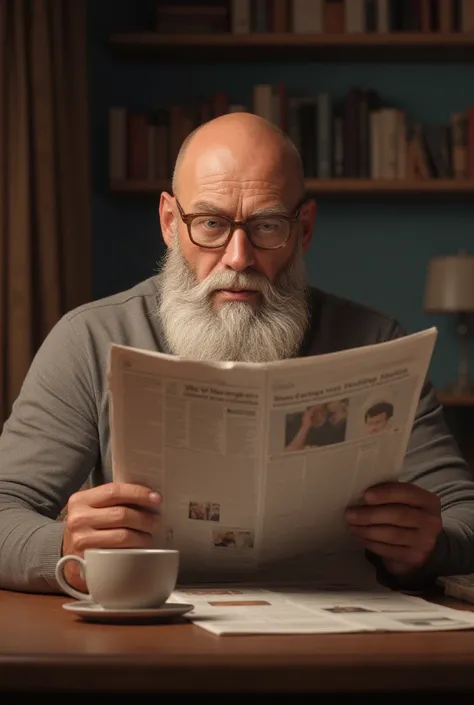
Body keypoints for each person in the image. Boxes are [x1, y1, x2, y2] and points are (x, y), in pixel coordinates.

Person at [0, 112, 473, 596]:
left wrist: (430, 546)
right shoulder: (89, 337)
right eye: (210, 223)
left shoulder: (377, 342)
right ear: (169, 223)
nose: (238, 257)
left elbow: (464, 515)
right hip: (149, 640)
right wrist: (61, 547)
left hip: (331, 646)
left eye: (267, 225)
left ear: (304, 228)